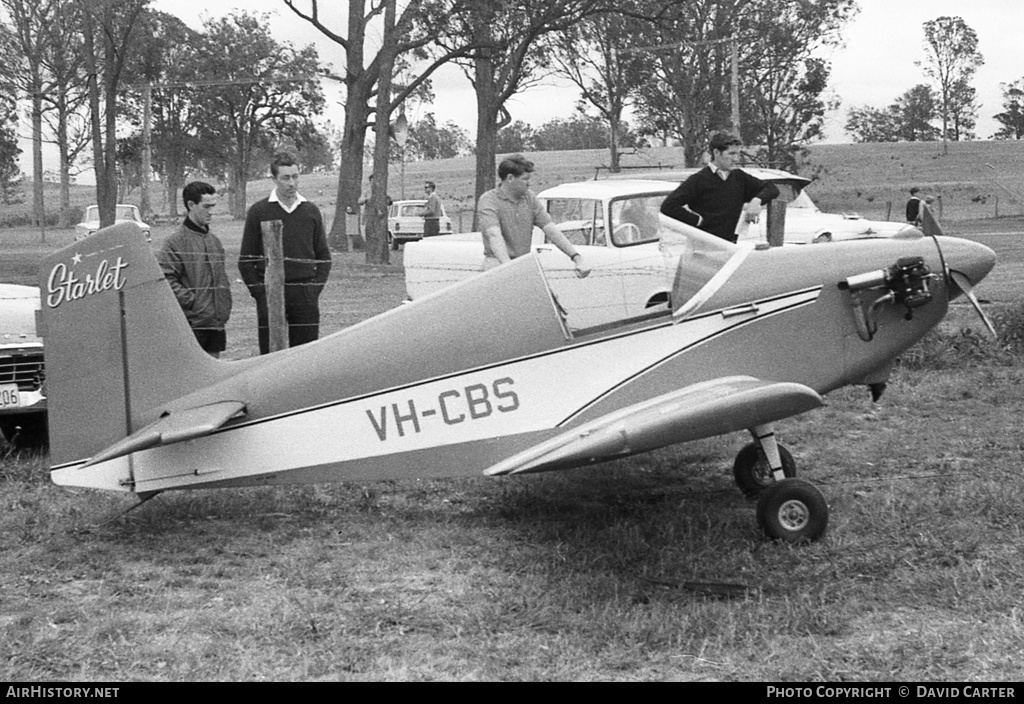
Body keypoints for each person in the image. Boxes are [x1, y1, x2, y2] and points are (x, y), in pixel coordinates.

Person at [239, 152, 332, 355]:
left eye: (295, 176)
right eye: (285, 178)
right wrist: (260, 294)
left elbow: (324, 256)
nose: (292, 183)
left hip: (304, 293)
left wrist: (313, 289)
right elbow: (246, 260)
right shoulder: (259, 211)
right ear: (274, 179)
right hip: (271, 292)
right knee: (271, 354)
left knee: (305, 355)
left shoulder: (311, 211)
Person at [477, 154, 590, 277]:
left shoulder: (529, 198)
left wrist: (576, 257)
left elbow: (551, 229)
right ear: (510, 178)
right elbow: (494, 235)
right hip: (497, 263)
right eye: (525, 179)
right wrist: (508, 267)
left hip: (522, 262)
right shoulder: (488, 200)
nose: (529, 183)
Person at [660, 131, 780, 243]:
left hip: (731, 245)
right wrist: (698, 221)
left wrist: (756, 201)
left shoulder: (739, 177)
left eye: (738, 154)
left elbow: (771, 188)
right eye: (731, 153)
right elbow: (668, 206)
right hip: (703, 246)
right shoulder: (698, 180)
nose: (736, 159)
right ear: (716, 153)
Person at [158, 181, 232, 358]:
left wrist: (223, 305)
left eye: (213, 206)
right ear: (191, 205)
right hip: (191, 324)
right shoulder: (174, 242)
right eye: (206, 206)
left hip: (215, 323)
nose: (211, 212)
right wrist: (193, 302)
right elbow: (166, 281)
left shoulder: (215, 241)